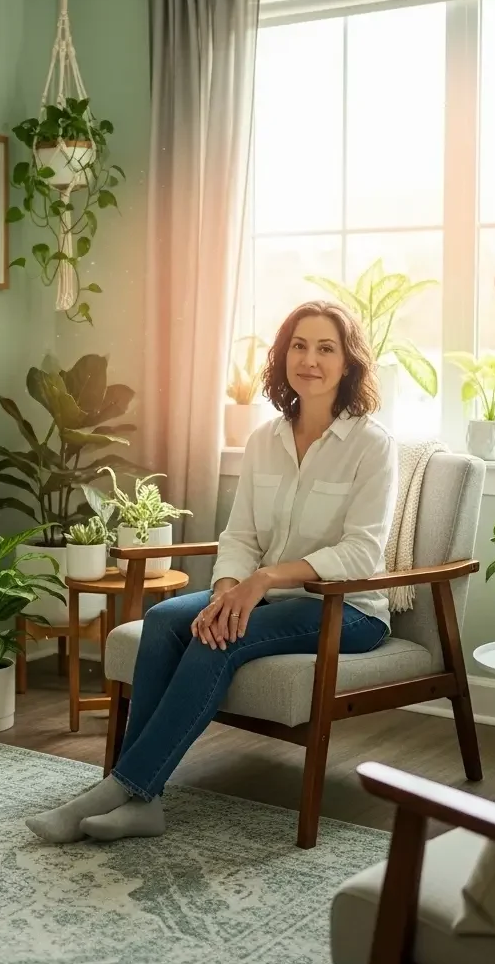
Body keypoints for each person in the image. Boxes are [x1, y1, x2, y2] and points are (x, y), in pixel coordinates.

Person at [26, 300, 397, 844]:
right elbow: (240, 536)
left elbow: (362, 552)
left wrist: (262, 582)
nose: (310, 360)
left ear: (348, 363)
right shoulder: (265, 440)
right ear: (283, 356)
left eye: (326, 349)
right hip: (263, 595)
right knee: (166, 621)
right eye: (299, 345)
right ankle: (142, 802)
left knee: (218, 640)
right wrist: (226, 590)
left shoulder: (372, 445)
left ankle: (119, 788)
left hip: (349, 610)